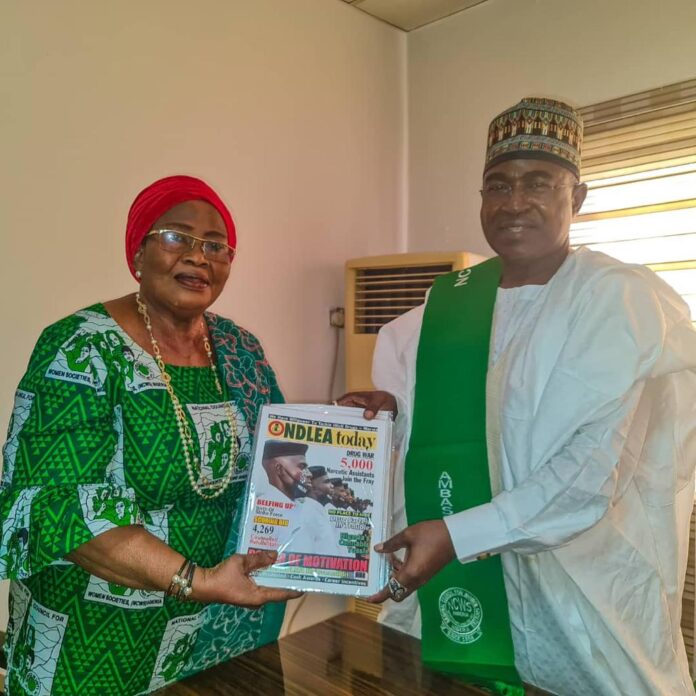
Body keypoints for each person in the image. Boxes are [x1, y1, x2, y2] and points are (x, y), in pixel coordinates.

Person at [339, 98, 696, 695]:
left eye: (538, 183)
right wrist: (396, 414)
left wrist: (458, 536)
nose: (513, 202)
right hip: (457, 588)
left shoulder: (616, 300)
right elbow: (460, 431)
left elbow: (588, 474)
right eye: (496, 185)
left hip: (580, 603)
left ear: (576, 198)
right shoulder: (444, 304)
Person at [0, 175, 300, 695]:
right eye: (176, 237)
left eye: (215, 245)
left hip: (218, 637)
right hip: (90, 643)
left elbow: (284, 459)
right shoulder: (80, 348)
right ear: (137, 250)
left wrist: (357, 423)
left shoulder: (240, 348)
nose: (199, 256)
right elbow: (54, 507)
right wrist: (197, 581)